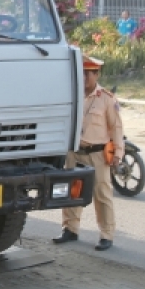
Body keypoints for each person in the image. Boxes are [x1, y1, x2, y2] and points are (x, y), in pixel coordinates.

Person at [53, 55, 124, 250]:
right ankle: (70, 229)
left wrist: (118, 153)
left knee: (102, 194)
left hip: (97, 153)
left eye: (88, 74)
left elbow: (116, 128)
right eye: (81, 73)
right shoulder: (71, 95)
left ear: (96, 75)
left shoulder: (106, 99)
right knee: (72, 191)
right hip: (75, 151)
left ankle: (106, 234)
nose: (84, 78)